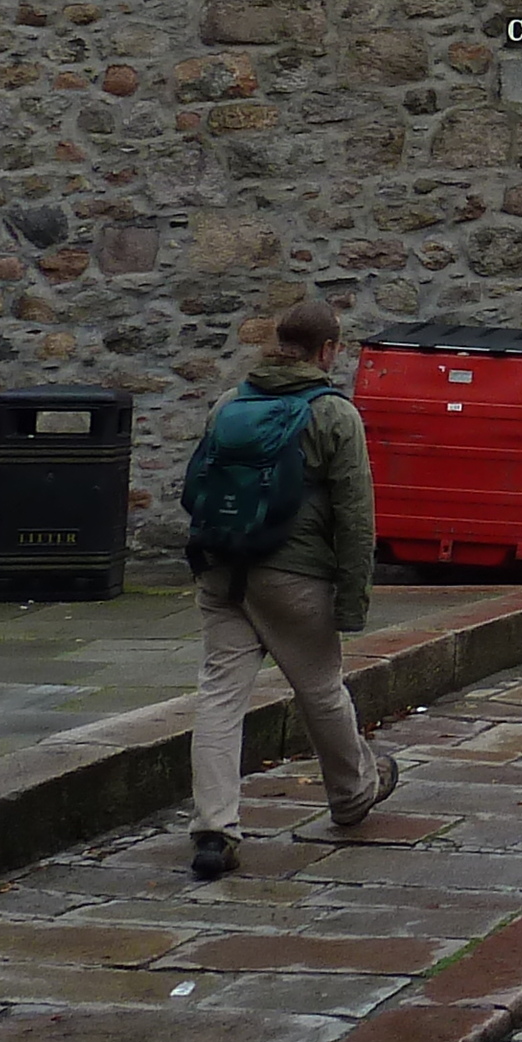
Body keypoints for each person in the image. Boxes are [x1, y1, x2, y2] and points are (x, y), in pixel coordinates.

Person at [184, 296, 394, 879]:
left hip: (222, 570)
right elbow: (357, 517)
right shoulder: (333, 415)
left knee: (221, 695)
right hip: (294, 577)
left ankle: (213, 829)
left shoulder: (230, 403)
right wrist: (352, 603)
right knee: (322, 689)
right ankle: (353, 796)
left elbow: (200, 486)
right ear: (328, 351)